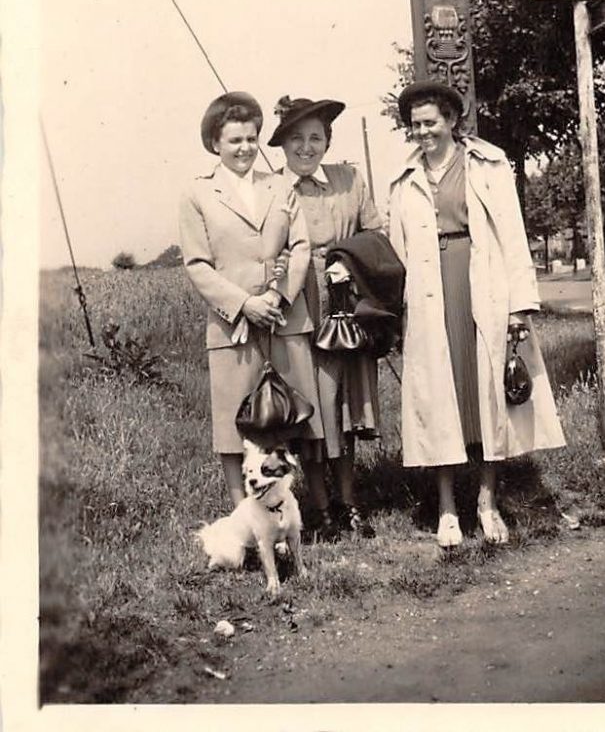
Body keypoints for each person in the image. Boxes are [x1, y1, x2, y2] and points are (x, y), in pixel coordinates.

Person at [388, 80, 565, 547]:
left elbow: (512, 233)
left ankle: (487, 501)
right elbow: (397, 251)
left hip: (482, 283)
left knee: (489, 395)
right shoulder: (404, 179)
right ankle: (447, 508)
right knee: (439, 398)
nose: (422, 132)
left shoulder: (487, 164)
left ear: (450, 120)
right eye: (415, 125)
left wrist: (518, 307)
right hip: (429, 293)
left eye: (430, 122)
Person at [179, 91, 318, 507]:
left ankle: (289, 512)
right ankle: (246, 517)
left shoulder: (280, 187)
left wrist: (278, 296)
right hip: (233, 328)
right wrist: (245, 304)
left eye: (251, 139)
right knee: (235, 426)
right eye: (235, 140)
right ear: (215, 143)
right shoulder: (198, 195)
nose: (244, 148)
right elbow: (198, 264)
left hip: (283, 319)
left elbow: (301, 247)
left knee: (289, 416)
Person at [267, 95, 384, 539]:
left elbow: (375, 233)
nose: (306, 147)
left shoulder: (349, 180)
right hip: (297, 306)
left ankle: (349, 503)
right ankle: (319, 509)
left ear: (328, 141)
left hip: (344, 306)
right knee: (311, 406)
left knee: (343, 405)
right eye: (296, 138)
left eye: (315, 137)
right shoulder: (271, 189)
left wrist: (349, 260)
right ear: (282, 144)